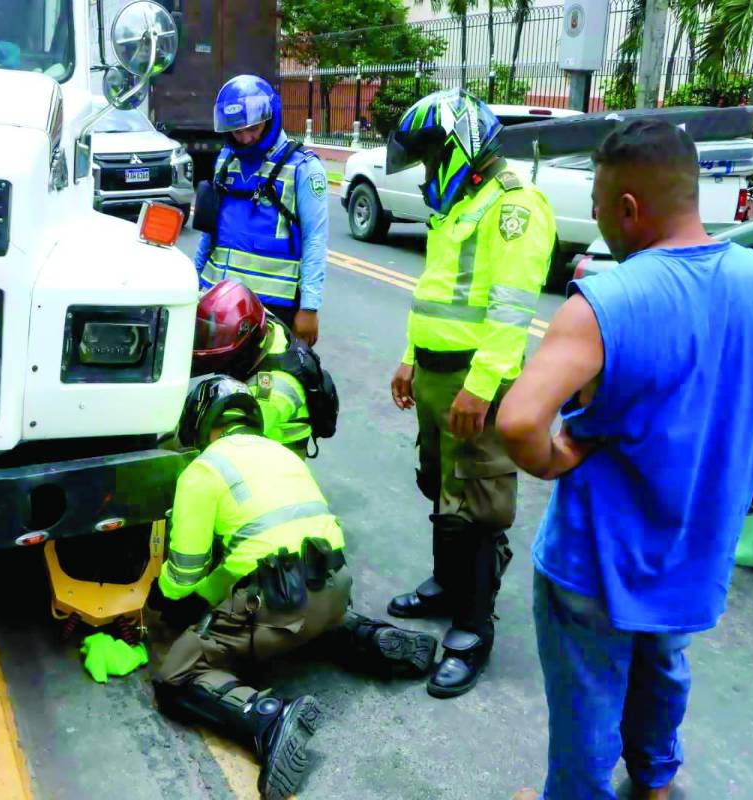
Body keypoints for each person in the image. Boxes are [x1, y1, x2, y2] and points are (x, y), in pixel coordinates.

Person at [497, 120, 753, 800]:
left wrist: (555, 460)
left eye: (605, 208)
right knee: (664, 665)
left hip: (595, 560)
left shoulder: (607, 302)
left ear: (629, 208)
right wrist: (724, 483)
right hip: (696, 548)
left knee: (588, 699)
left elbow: (521, 421)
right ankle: (655, 784)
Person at [150, 375, 438, 800]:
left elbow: (184, 577)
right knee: (304, 618)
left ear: (197, 421)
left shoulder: (202, 470)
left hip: (278, 602)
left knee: (174, 674)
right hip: (335, 585)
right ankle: (372, 639)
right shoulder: (283, 455)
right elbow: (265, 546)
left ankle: (267, 719)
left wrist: (163, 601)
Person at [383, 88, 557, 698]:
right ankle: (445, 582)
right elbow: (435, 290)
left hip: (473, 381)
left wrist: (481, 389)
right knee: (438, 484)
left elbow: (512, 312)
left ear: (460, 145)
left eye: (432, 156)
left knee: (477, 503)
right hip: (433, 374)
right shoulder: (459, 203)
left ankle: (473, 626)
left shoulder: (514, 206)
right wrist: (410, 358)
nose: (429, 170)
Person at [193, 75, 329, 346]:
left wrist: (310, 307)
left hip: (272, 307)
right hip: (219, 299)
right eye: (236, 131)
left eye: (252, 128)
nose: (244, 138)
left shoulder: (303, 168)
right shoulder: (225, 160)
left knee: (271, 384)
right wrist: (192, 279)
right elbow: (210, 230)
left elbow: (315, 239)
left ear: (270, 117)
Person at [191, 279, 337, 457]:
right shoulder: (263, 324)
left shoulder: (271, 391)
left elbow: (228, 447)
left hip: (276, 458)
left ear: (241, 338)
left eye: (214, 337)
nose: (207, 342)